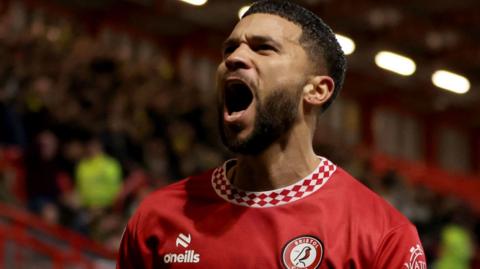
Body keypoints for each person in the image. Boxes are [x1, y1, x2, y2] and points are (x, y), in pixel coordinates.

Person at [117, 1, 427, 268]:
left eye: (263, 48)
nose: (233, 58)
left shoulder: (381, 235)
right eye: (230, 48)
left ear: (316, 90)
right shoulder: (157, 216)